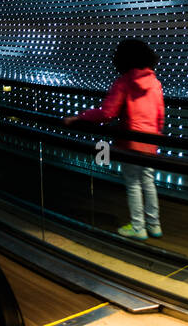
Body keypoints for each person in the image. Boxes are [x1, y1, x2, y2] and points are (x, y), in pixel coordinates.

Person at [63, 39, 164, 240]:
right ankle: (154, 225)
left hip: (130, 141)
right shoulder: (155, 82)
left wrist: (80, 117)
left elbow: (107, 113)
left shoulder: (124, 82)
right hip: (151, 140)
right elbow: (160, 114)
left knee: (133, 184)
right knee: (149, 182)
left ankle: (138, 227)